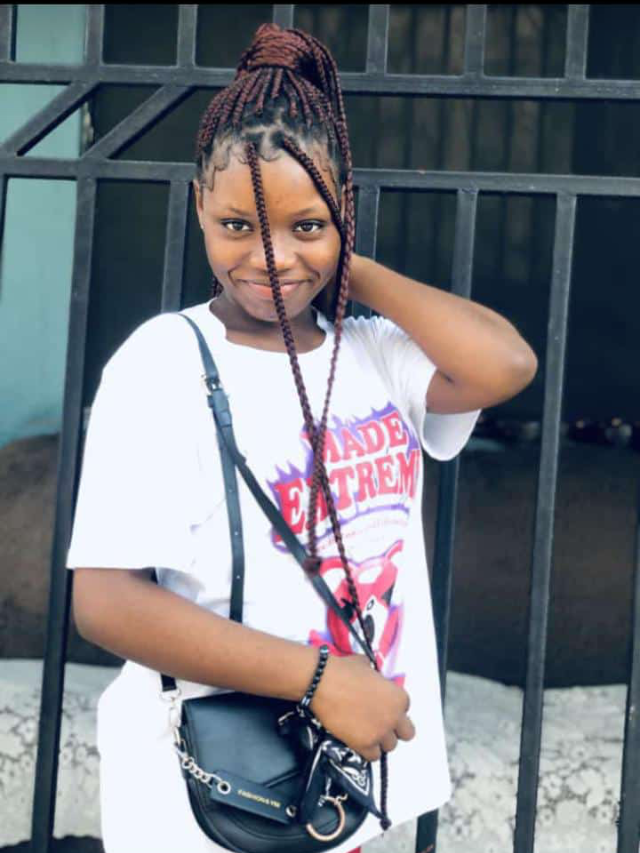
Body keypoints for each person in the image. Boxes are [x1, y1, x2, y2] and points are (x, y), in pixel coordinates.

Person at [66, 22, 537, 853]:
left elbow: (506, 363)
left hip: (347, 769)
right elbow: (105, 600)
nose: (271, 257)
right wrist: (319, 680)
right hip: (217, 787)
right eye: (237, 225)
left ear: (344, 212)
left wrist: (347, 266)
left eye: (306, 225)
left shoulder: (375, 352)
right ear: (199, 209)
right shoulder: (162, 362)